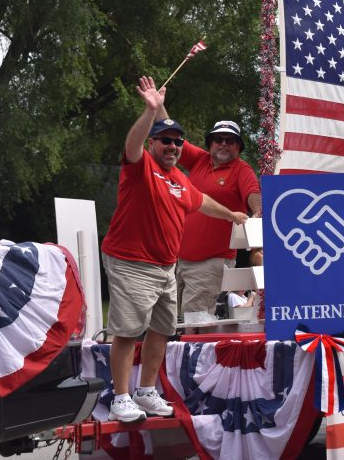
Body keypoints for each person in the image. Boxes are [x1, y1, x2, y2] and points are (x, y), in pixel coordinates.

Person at [100, 76, 248, 423]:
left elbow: (203, 201)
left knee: (162, 330)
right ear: (153, 143)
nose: (173, 146)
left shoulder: (180, 178)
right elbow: (132, 143)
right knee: (128, 331)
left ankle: (145, 391)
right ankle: (121, 397)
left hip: (166, 266)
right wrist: (150, 112)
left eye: (178, 142)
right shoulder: (141, 166)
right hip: (131, 262)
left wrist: (232, 215)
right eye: (165, 140)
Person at [172, 119, 262, 318]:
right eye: (218, 139)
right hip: (180, 260)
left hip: (211, 261)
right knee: (179, 320)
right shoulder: (200, 159)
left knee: (194, 320)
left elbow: (252, 192)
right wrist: (156, 107)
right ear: (210, 143)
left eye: (230, 140)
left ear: (238, 146)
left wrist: (257, 210)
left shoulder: (241, 169)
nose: (223, 144)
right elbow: (171, 134)